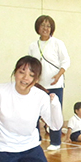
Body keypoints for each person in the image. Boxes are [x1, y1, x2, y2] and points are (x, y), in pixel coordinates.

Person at [28, 15, 70, 151]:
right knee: (34, 112)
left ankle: (56, 141)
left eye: (48, 26)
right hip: (38, 85)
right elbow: (30, 64)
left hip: (54, 84)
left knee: (54, 113)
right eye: (43, 25)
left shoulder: (58, 43)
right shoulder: (33, 46)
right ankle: (35, 139)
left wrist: (58, 75)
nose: (45, 28)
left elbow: (66, 61)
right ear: (37, 28)